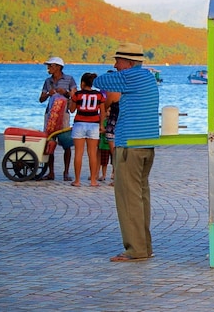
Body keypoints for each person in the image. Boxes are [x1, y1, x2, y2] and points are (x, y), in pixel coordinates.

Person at [93, 43, 159, 262]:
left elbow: (98, 81)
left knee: (128, 199)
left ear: (129, 63)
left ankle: (135, 250)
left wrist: (116, 74)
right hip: (146, 146)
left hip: (129, 146)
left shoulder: (130, 77)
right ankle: (144, 247)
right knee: (141, 197)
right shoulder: (148, 77)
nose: (115, 65)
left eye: (118, 61)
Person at [39, 56, 76, 181]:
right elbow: (41, 99)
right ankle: (51, 172)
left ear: (58, 67)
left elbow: (74, 96)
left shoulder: (69, 79)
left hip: (63, 114)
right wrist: (48, 94)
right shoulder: (47, 81)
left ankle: (66, 172)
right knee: (50, 142)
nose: (48, 68)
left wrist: (65, 92)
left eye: (50, 66)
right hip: (50, 114)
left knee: (66, 144)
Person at [68, 73, 104, 187]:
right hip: (93, 125)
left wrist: (71, 97)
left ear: (82, 83)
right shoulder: (99, 95)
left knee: (78, 153)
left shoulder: (78, 95)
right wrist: (101, 125)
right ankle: (93, 180)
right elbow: (102, 111)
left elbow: (72, 110)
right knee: (92, 153)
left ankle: (77, 180)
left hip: (79, 124)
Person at [97, 89, 120, 184]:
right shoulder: (129, 93)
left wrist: (101, 125)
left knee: (114, 153)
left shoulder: (113, 94)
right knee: (121, 152)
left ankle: (116, 178)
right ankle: (118, 176)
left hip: (113, 124)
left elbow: (104, 108)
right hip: (124, 125)